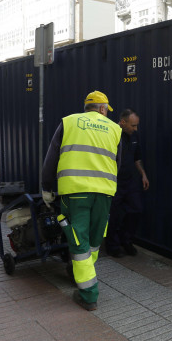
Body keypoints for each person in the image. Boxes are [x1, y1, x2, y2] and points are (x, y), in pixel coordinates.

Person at [41, 90, 122, 311]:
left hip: (75, 193)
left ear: (87, 108)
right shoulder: (115, 129)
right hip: (104, 193)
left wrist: (46, 188)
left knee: (79, 241)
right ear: (103, 109)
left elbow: (51, 158)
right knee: (94, 240)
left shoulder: (69, 123)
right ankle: (80, 270)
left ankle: (88, 295)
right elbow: (118, 165)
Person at [106, 108, 149, 258]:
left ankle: (126, 240)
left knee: (136, 211)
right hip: (115, 183)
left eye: (136, 125)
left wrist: (143, 175)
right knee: (114, 216)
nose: (136, 128)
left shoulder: (134, 136)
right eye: (133, 125)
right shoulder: (112, 136)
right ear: (123, 122)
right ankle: (113, 246)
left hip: (131, 182)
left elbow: (137, 158)